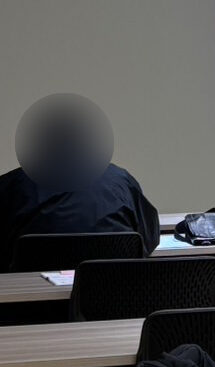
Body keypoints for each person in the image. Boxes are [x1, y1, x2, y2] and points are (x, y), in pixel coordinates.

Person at [0, 94, 159, 269]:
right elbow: (149, 240)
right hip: (113, 285)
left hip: (29, 286)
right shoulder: (121, 182)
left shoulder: (11, 186)